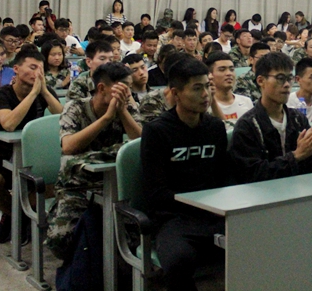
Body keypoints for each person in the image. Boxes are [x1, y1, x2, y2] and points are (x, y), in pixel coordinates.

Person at [140, 55, 229, 291]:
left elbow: (223, 178)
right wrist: (196, 202)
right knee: (179, 260)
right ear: (176, 93)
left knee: (262, 241)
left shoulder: (215, 127)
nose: (205, 95)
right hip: (174, 219)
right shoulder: (156, 131)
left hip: (215, 214)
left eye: (207, 87)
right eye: (197, 88)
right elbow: (155, 192)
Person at [47, 62, 142, 260]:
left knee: (135, 238)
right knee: (60, 240)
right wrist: (106, 118)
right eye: (123, 88)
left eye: (129, 88)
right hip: (77, 187)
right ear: (101, 88)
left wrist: (123, 112)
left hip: (113, 187)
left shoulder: (127, 106)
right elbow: (68, 146)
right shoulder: (76, 107)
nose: (128, 93)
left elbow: (140, 143)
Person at [0, 48, 63, 242]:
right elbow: (9, 124)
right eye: (32, 67)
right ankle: (13, 214)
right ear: (16, 69)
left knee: (55, 184)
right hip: (0, 154)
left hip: (33, 154)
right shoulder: (1, 94)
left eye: (40, 69)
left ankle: (21, 215)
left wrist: (44, 91)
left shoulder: (44, 92)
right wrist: (33, 94)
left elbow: (62, 116)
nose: (37, 73)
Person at [230, 52, 312, 183]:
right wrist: (296, 156)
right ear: (261, 81)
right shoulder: (247, 126)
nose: (287, 84)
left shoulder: (297, 119)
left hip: (300, 190)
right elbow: (251, 174)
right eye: (280, 78)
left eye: (289, 78)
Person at [206, 52, 253, 126]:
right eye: (222, 69)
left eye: (231, 69)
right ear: (210, 75)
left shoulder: (246, 101)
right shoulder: (205, 106)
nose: (229, 73)